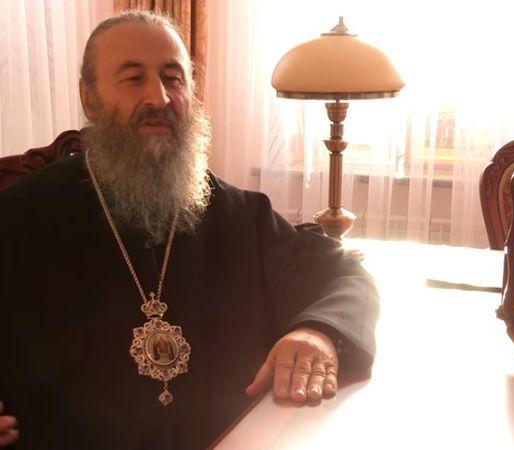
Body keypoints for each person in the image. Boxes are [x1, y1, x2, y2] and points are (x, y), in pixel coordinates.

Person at [0, 11, 379, 449]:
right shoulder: (19, 217)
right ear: (89, 97)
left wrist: (317, 333)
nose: (159, 97)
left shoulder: (238, 215)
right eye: (133, 78)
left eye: (173, 78)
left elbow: (343, 277)